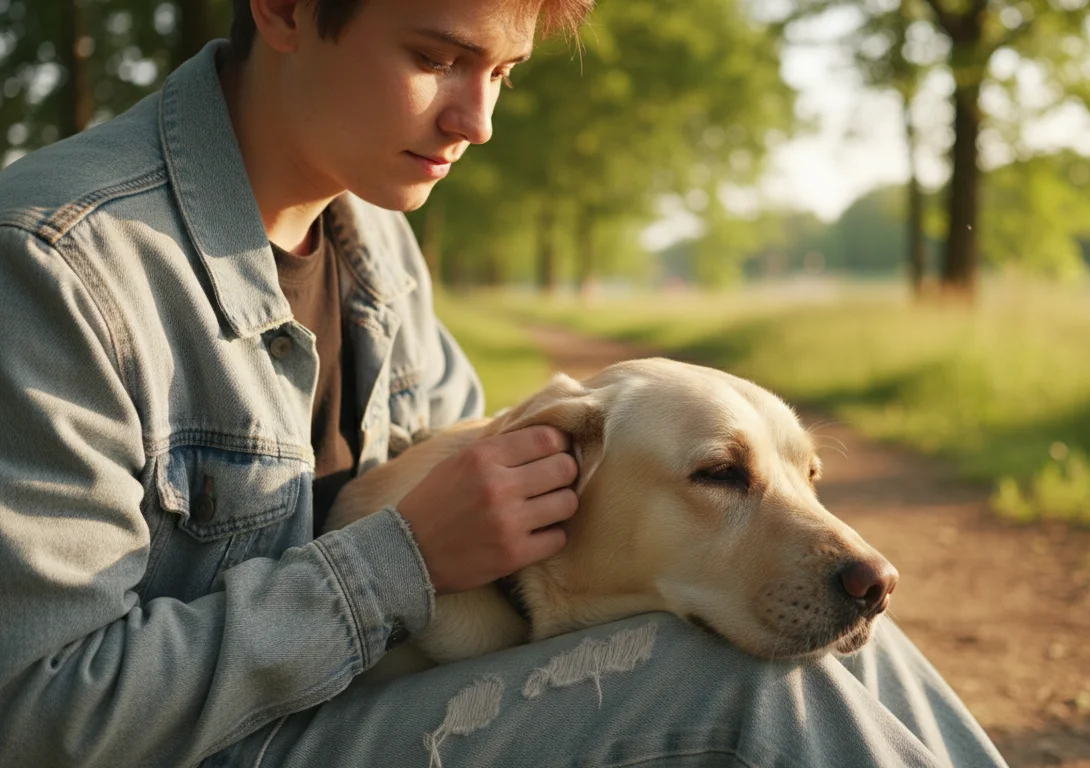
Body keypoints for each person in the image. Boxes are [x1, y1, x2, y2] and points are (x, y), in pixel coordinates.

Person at [0, 0, 1010, 765]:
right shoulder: (56, 267)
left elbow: (496, 557)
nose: (477, 120)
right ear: (285, 9)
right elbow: (40, 713)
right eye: (436, 58)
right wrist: (397, 563)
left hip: (347, 711)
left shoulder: (378, 246)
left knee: (836, 637)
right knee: (745, 691)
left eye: (504, 73)